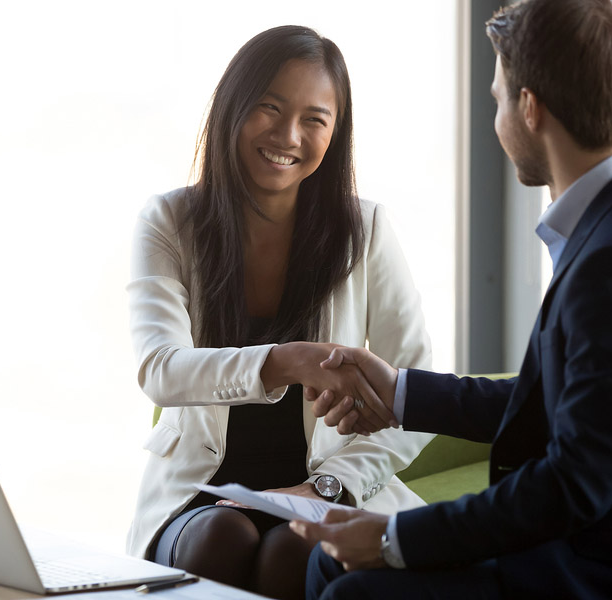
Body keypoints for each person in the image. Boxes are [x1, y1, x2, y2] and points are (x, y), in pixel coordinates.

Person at [291, 1, 612, 599]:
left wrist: (395, 538)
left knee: (350, 588)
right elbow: (570, 405)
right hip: (593, 545)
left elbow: (575, 484)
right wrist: (402, 392)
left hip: (600, 574)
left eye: (496, 99)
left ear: (531, 107)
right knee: (331, 567)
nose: (495, 118)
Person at [125, 25, 433, 600]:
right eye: (269, 107)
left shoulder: (364, 230)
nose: (288, 135)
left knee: (297, 545)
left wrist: (331, 486)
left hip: (323, 488)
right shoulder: (169, 221)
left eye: (314, 118)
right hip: (198, 494)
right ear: (232, 108)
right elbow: (160, 369)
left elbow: (416, 394)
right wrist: (288, 361)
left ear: (335, 133)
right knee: (221, 536)